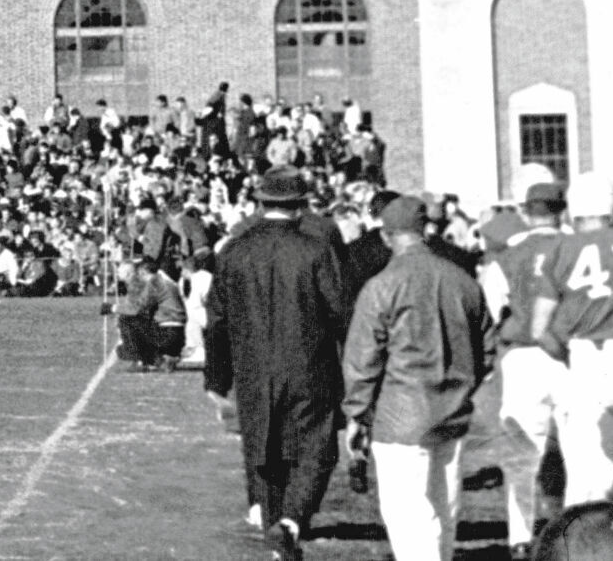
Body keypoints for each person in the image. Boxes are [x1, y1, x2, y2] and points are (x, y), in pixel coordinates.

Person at [205, 165, 349, 561]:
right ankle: (290, 523)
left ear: (260, 201)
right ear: (301, 205)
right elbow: (341, 313)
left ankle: (277, 529)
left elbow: (216, 320)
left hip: (252, 368)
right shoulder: (315, 250)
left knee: (264, 451)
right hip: (310, 365)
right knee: (315, 449)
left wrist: (216, 377)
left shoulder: (234, 251)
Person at [343, 195, 497, 561]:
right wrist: (462, 386)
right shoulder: (462, 280)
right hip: (453, 411)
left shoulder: (381, 286)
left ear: (386, 235)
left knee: (410, 516)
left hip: (399, 414)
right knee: (445, 512)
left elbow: (362, 360)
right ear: (426, 230)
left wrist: (357, 413)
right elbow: (487, 348)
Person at [477, 181, 568, 559]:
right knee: (579, 450)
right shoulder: (577, 247)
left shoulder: (507, 256)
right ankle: (576, 534)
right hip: (568, 353)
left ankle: (520, 538)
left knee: (520, 454)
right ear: (561, 209)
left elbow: (493, 309)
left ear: (527, 213)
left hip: (520, 356)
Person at [531, 171, 613, 509]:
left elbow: (539, 328)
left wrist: (566, 355)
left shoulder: (560, 248)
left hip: (581, 354)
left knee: (583, 459)